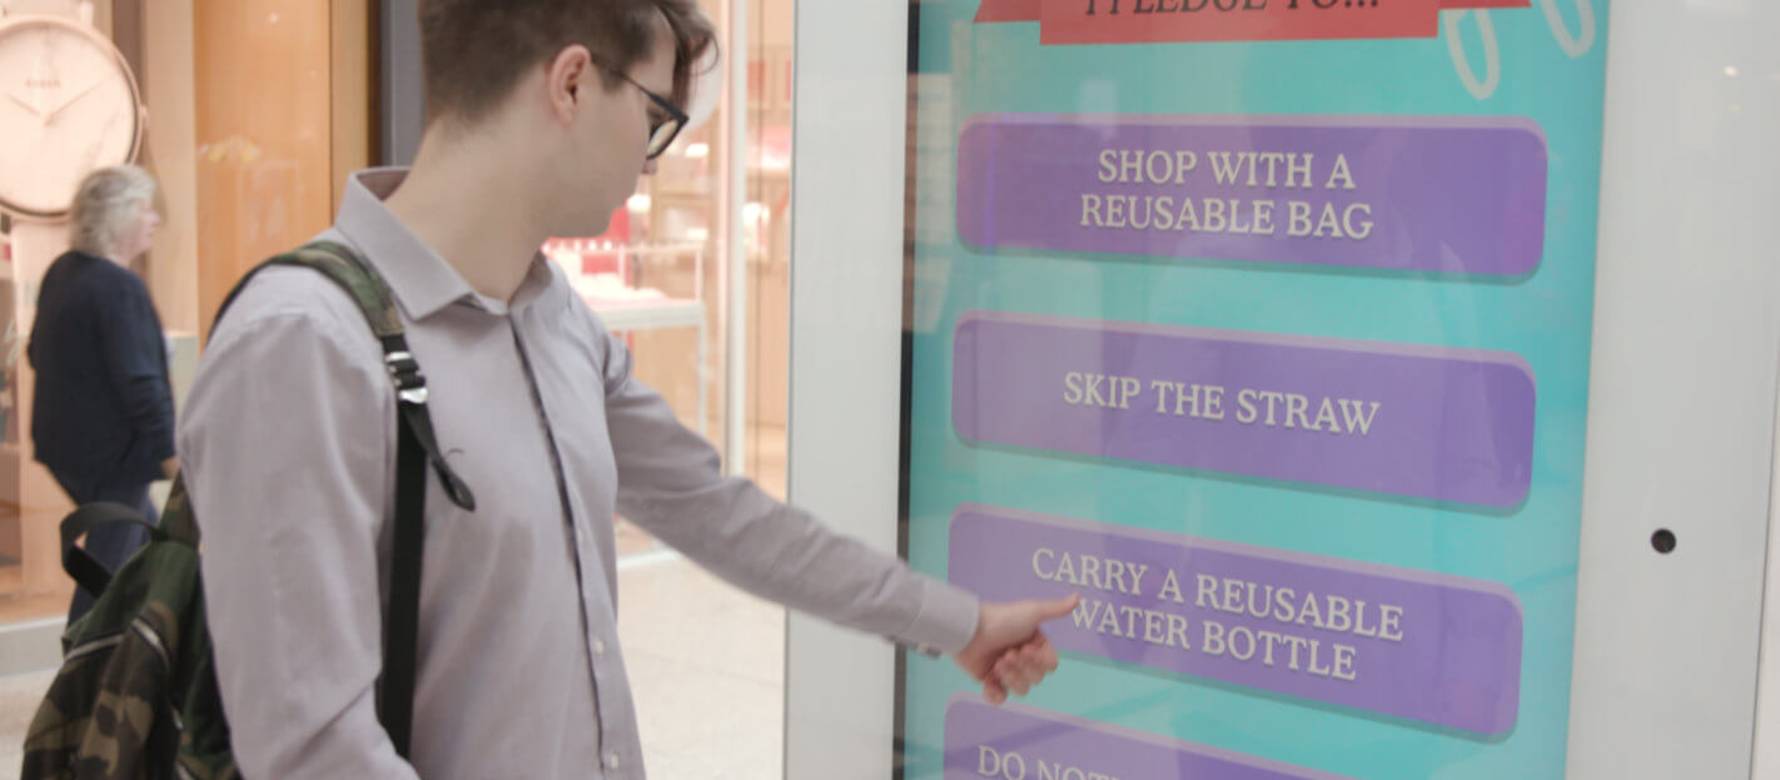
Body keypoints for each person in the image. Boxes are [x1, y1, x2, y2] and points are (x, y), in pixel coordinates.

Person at [177, 1, 1077, 777]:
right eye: (655, 119)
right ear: (571, 83)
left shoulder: (552, 316)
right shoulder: (300, 345)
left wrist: (959, 622)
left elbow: (723, 515)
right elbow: (310, 752)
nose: (654, 163)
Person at [28, 164, 175, 624]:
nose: (155, 220)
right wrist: (171, 452)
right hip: (114, 459)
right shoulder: (119, 288)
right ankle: (80, 680)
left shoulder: (63, 272)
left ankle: (146, 659)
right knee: (106, 581)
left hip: (64, 450)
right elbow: (140, 385)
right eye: (145, 209)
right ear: (120, 217)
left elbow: (36, 352)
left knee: (155, 547)